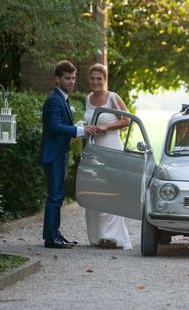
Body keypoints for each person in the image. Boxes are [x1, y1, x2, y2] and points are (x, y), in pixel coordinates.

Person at [39, 60, 99, 249]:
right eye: (67, 78)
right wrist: (80, 130)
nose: (71, 82)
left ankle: (56, 233)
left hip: (59, 152)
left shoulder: (63, 98)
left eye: (73, 78)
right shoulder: (53, 100)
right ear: (58, 80)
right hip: (53, 155)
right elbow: (54, 127)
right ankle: (50, 238)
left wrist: (73, 134)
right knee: (55, 196)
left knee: (58, 195)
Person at [83, 63, 134, 250]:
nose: (96, 82)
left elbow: (127, 119)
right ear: (89, 80)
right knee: (94, 191)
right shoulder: (88, 99)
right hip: (94, 150)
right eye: (93, 78)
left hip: (112, 147)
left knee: (111, 191)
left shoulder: (112, 97)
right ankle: (98, 236)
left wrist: (106, 127)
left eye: (99, 78)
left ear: (105, 80)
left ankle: (112, 236)